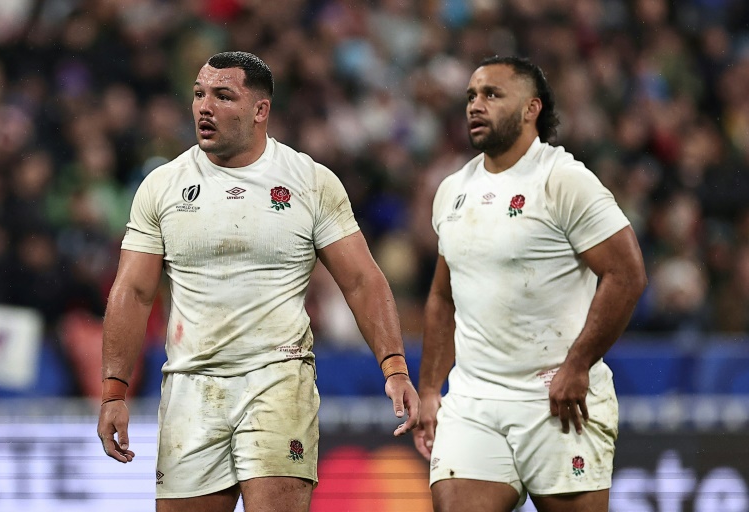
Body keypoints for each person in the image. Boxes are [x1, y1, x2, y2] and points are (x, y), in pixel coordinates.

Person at [97, 51, 419, 512]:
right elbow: (132, 291)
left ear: (260, 110)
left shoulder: (309, 182)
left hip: (278, 378)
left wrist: (394, 367)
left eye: (223, 96)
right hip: (190, 385)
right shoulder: (163, 186)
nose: (204, 107)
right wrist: (114, 391)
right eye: (198, 94)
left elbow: (362, 281)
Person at [412, 56, 647, 512]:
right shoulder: (452, 190)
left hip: (556, 397)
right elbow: (443, 296)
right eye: (471, 97)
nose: (475, 105)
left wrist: (577, 366)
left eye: (492, 95)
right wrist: (428, 389)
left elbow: (627, 274)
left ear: (531, 108)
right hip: (474, 400)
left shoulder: (564, 180)